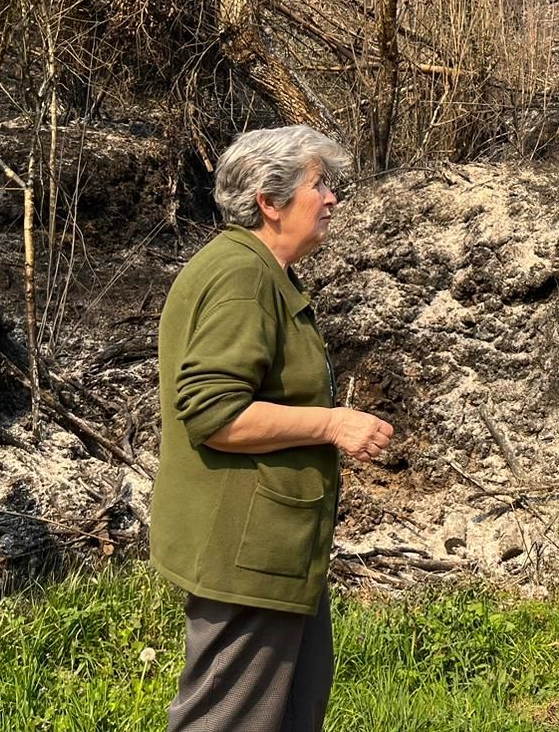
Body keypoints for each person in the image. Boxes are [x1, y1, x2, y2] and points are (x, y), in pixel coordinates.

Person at [151, 125, 394, 732]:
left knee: (289, 712)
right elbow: (215, 413)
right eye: (320, 185)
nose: (333, 198)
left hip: (274, 551)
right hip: (246, 552)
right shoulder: (241, 278)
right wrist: (333, 423)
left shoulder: (262, 272)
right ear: (269, 199)